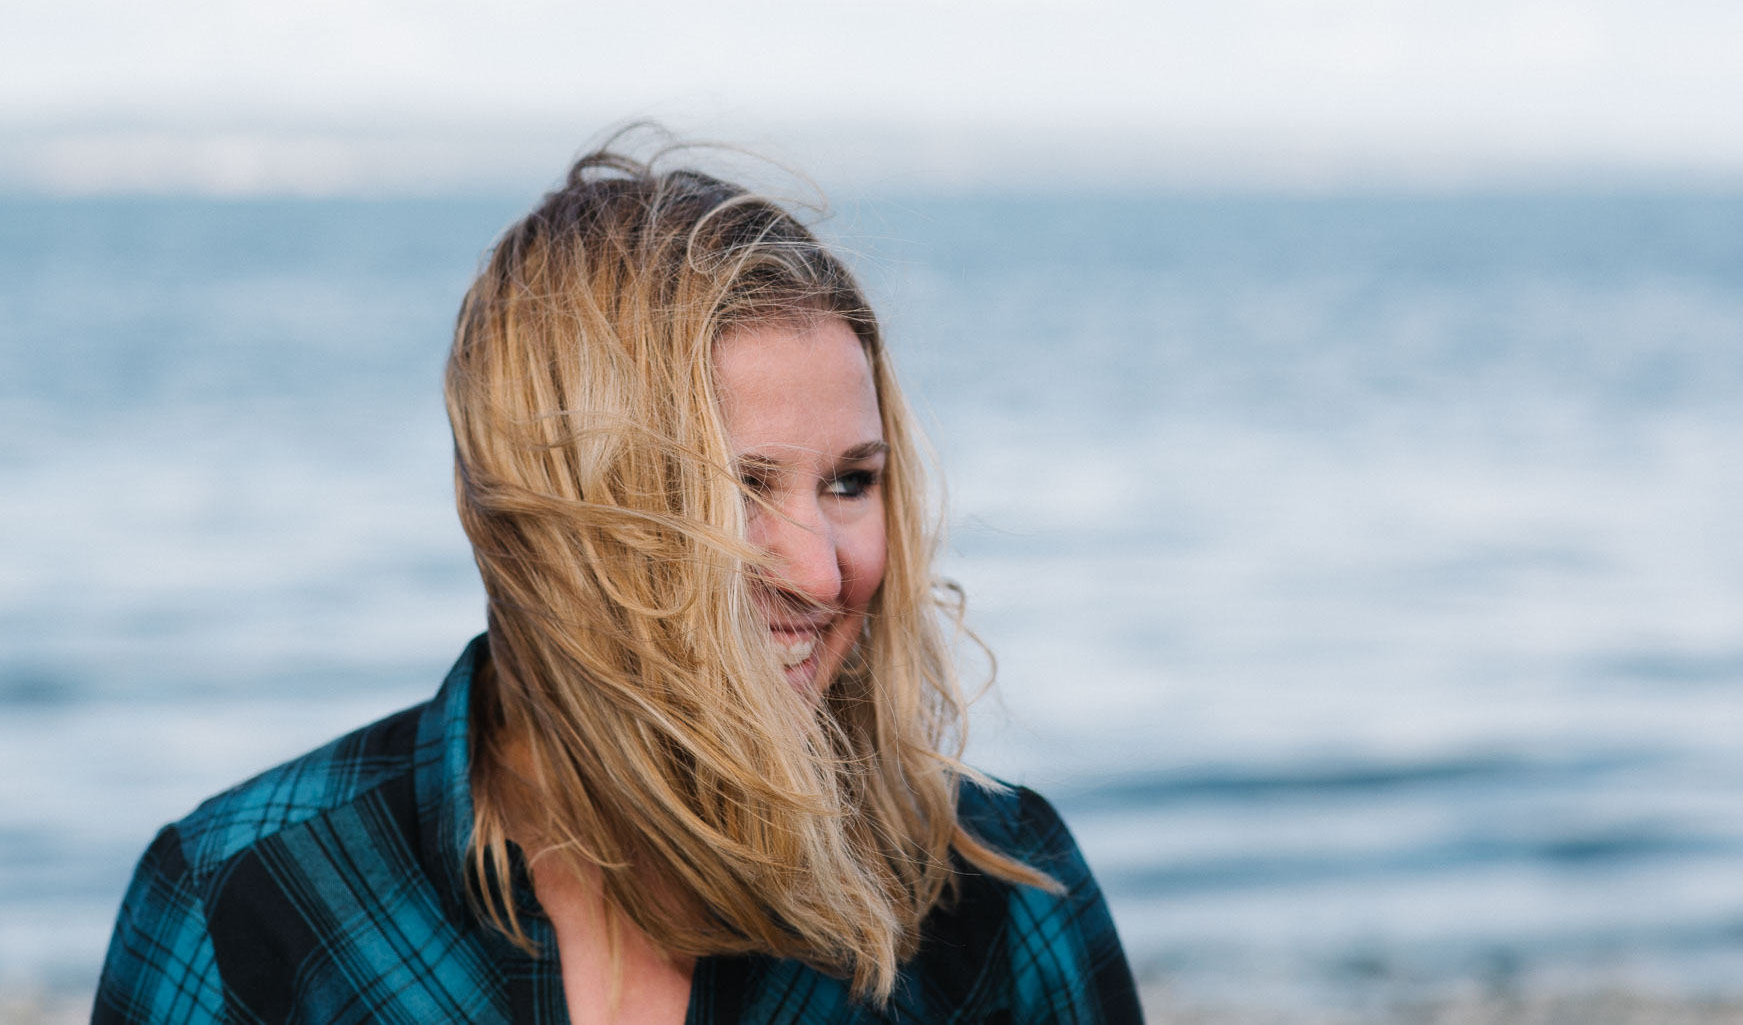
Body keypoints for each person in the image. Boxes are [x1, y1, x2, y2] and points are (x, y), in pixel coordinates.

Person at [92, 138, 1144, 1024]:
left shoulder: (998, 894)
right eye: (738, 484)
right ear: (563, 514)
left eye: (851, 481)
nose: (824, 567)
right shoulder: (254, 895)